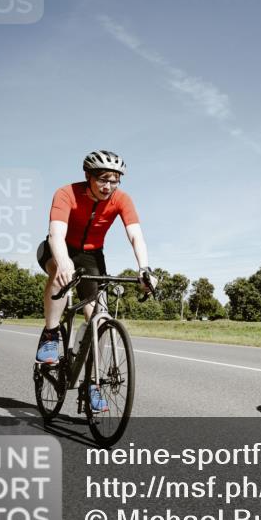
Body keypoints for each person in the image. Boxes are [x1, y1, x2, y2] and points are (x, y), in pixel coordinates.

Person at [34, 150, 157, 413]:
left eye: (115, 180)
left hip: (91, 256)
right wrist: (64, 261)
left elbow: (136, 236)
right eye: (103, 179)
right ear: (88, 176)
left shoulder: (122, 199)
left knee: (99, 318)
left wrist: (144, 268)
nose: (109, 186)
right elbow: (56, 234)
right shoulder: (66, 193)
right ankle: (51, 334)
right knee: (59, 272)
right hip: (59, 248)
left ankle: (92, 383)